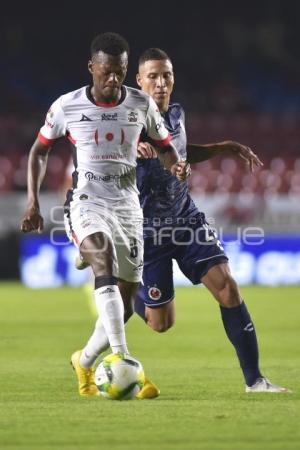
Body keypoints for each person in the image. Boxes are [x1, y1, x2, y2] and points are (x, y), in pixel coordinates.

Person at [20, 33, 184, 398]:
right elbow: (39, 152)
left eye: (120, 72)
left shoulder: (141, 104)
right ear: (91, 68)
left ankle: (84, 360)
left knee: (124, 304)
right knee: (103, 263)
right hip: (86, 201)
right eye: (107, 71)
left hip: (127, 207)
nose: (113, 79)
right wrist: (32, 202)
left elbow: (166, 149)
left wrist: (177, 167)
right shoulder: (68, 105)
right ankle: (125, 360)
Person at [133, 48, 290, 393]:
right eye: (153, 77)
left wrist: (223, 146)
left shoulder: (176, 113)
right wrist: (131, 155)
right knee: (161, 324)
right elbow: (102, 164)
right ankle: (128, 288)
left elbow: (184, 152)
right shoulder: (126, 125)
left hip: (186, 218)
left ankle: (255, 381)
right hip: (148, 232)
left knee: (227, 287)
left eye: (167, 75)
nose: (161, 84)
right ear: (139, 81)